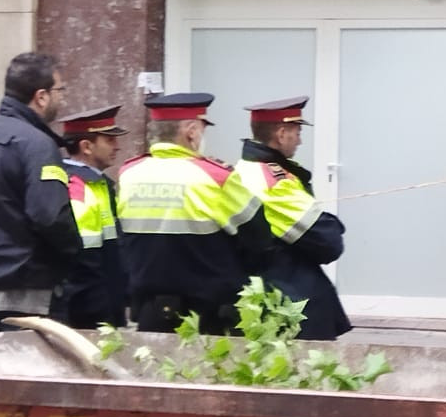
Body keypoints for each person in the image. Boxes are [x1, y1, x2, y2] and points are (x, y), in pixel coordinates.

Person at [117, 92, 275, 334]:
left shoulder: (129, 174)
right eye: (202, 128)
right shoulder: (216, 177)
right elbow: (260, 237)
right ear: (191, 131)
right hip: (207, 318)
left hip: (151, 314)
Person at [238, 97, 351, 340]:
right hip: (289, 302)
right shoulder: (275, 181)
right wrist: (331, 222)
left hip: (258, 296)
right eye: (297, 132)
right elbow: (328, 243)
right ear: (281, 134)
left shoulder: (241, 170)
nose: (299, 140)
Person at [0, 52, 82, 333]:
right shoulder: (37, 146)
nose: (61, 98)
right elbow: (49, 215)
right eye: (60, 90)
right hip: (24, 295)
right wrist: (73, 252)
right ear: (41, 96)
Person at [51, 105, 127, 330]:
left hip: (101, 304)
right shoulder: (78, 186)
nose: (117, 146)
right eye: (110, 140)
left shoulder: (95, 182)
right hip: (88, 312)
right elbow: (82, 263)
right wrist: (101, 314)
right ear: (86, 146)